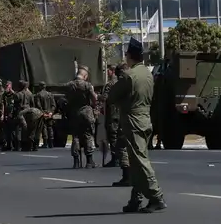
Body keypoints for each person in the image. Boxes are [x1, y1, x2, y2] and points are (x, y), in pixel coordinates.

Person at [110, 38, 165, 213]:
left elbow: (112, 96)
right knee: (136, 161)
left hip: (133, 119)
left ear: (129, 56)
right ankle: (136, 199)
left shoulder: (129, 75)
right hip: (145, 118)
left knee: (140, 161)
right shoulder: (147, 73)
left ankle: (156, 196)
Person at [65, 67, 99, 169]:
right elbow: (94, 99)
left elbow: (66, 99)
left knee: (76, 136)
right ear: (85, 76)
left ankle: (76, 161)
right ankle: (89, 161)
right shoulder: (87, 85)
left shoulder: (69, 85)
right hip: (86, 112)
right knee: (87, 135)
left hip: (74, 113)